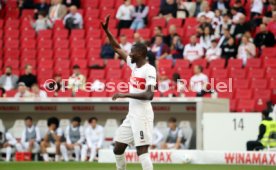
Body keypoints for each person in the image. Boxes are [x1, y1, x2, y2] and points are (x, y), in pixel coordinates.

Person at [101, 15, 157, 170]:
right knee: (118, 148)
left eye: (132, 52)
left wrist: (125, 94)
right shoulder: (134, 66)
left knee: (142, 152)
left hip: (143, 115)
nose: (130, 54)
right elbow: (117, 48)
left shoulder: (149, 69)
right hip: (131, 115)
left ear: (140, 53)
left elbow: (149, 95)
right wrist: (107, 31)